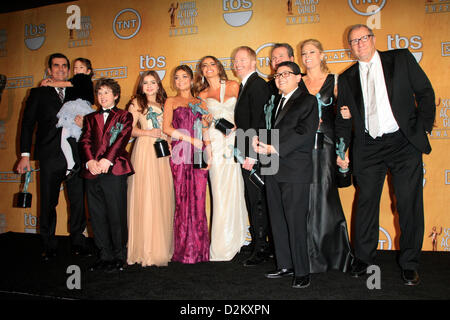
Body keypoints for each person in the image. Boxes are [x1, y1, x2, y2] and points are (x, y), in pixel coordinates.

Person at [335, 24, 436, 286]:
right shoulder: (346, 78)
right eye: (354, 41)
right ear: (350, 46)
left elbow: (425, 92)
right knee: (366, 202)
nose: (359, 44)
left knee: (407, 203)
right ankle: (364, 258)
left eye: (363, 38)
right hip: (368, 146)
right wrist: (341, 148)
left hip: (403, 142)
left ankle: (410, 263)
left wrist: (422, 128)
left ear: (373, 39)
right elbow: (344, 119)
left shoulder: (400, 59)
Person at [253, 61, 318, 288]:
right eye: (277, 75)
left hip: (294, 168)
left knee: (295, 220)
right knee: (277, 219)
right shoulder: (276, 101)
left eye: (286, 74)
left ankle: (302, 271)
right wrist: (258, 140)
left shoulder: (308, 101)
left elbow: (305, 133)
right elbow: (268, 127)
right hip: (272, 166)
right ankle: (284, 265)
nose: (280, 78)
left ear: (298, 77)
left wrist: (275, 147)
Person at [16, 53, 88, 260]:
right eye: (56, 66)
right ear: (49, 70)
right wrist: (24, 155)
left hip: (75, 155)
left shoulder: (78, 90)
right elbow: (28, 125)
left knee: (77, 201)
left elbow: (91, 118)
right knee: (48, 201)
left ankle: (78, 241)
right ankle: (49, 243)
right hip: (49, 155)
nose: (61, 69)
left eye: (65, 66)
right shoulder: (38, 93)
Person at [298, 39, 352, 273]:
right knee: (305, 195)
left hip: (327, 145)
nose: (307, 56)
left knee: (325, 195)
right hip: (301, 146)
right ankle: (307, 255)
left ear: (322, 55)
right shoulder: (297, 82)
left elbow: (344, 119)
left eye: (312, 52)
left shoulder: (335, 81)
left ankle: (333, 255)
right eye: (303, 53)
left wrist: (343, 148)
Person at [194, 56, 248, 261]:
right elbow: (204, 125)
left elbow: (245, 111)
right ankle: (222, 244)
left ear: (219, 67)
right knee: (218, 191)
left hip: (235, 141)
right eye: (204, 65)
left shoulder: (234, 85)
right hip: (216, 145)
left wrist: (238, 126)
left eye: (211, 64)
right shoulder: (202, 94)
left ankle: (240, 238)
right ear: (201, 71)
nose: (208, 68)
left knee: (237, 189)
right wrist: (207, 149)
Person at [79, 78, 134, 273]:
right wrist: (90, 162)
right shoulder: (90, 118)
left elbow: (121, 139)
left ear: (116, 95)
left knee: (116, 214)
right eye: (99, 93)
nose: (102, 96)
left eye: (106, 93)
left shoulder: (124, 116)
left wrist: (106, 160)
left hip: (114, 169)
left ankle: (119, 256)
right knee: (96, 215)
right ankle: (104, 255)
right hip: (92, 171)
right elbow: (85, 141)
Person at [126, 71, 175, 267]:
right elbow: (128, 128)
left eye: (152, 82)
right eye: (145, 82)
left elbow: (168, 128)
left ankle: (160, 247)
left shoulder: (165, 103)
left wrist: (169, 140)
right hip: (145, 150)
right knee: (146, 196)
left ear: (158, 85)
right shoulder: (137, 102)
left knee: (161, 196)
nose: (148, 86)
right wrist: (147, 132)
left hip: (162, 153)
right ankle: (145, 249)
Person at [163, 65, 210, 264]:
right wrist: (191, 140)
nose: (180, 80)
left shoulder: (201, 101)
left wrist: (209, 152)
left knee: (199, 201)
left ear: (191, 80)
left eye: (184, 77)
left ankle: (200, 251)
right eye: (177, 77)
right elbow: (166, 128)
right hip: (180, 153)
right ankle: (183, 251)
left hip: (199, 153)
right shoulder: (171, 101)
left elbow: (205, 129)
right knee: (182, 201)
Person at [232, 46, 271, 266]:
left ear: (254, 62)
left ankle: (262, 248)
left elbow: (261, 122)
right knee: (252, 199)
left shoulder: (257, 85)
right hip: (247, 150)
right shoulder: (245, 85)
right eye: (235, 60)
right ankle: (258, 242)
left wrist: (253, 156)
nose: (238, 64)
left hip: (255, 153)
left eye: (243, 60)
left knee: (257, 202)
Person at [40, 57, 95, 180]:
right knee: (64, 134)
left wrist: (49, 83)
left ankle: (82, 162)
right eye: (75, 68)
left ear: (88, 71)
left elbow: (66, 84)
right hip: (74, 108)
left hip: (79, 107)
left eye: (81, 68)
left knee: (78, 135)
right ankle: (71, 164)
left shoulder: (83, 79)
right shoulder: (77, 79)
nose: (77, 70)